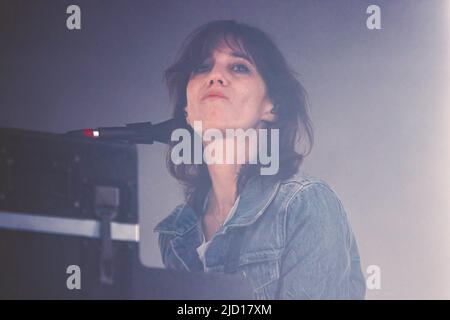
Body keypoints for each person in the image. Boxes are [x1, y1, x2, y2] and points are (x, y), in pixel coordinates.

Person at [154, 20, 366, 299]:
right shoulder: (176, 232)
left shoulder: (304, 205)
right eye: (203, 66)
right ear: (186, 109)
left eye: (239, 67)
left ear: (272, 106)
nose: (215, 76)